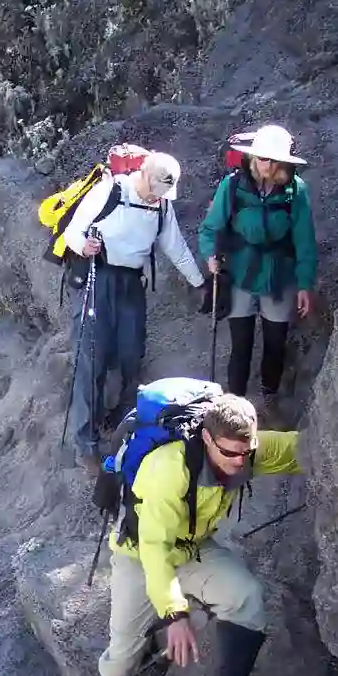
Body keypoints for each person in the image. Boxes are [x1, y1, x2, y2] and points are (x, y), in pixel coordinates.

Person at [80, 393, 303, 676]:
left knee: (246, 598)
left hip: (192, 547)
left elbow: (303, 449)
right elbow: (154, 552)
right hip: (141, 554)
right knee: (121, 657)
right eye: (229, 454)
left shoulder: (246, 450)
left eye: (246, 453)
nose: (239, 463)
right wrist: (173, 614)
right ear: (206, 439)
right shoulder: (167, 470)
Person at [62, 152, 205, 472]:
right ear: (142, 173)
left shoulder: (161, 206)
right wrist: (84, 246)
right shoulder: (110, 192)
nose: (157, 198)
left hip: (131, 284)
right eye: (155, 190)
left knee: (131, 355)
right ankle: (85, 443)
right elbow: (72, 232)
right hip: (98, 278)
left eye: (163, 194)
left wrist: (199, 282)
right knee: (92, 359)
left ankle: (117, 418)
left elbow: (176, 247)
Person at [197, 125, 317, 426]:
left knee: (276, 342)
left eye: (272, 159)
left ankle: (268, 398)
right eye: (262, 157)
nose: (266, 164)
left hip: (279, 277)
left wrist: (304, 284)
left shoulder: (295, 191)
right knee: (241, 342)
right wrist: (210, 255)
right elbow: (211, 227)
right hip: (240, 273)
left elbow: (305, 240)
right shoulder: (233, 185)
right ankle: (232, 408)